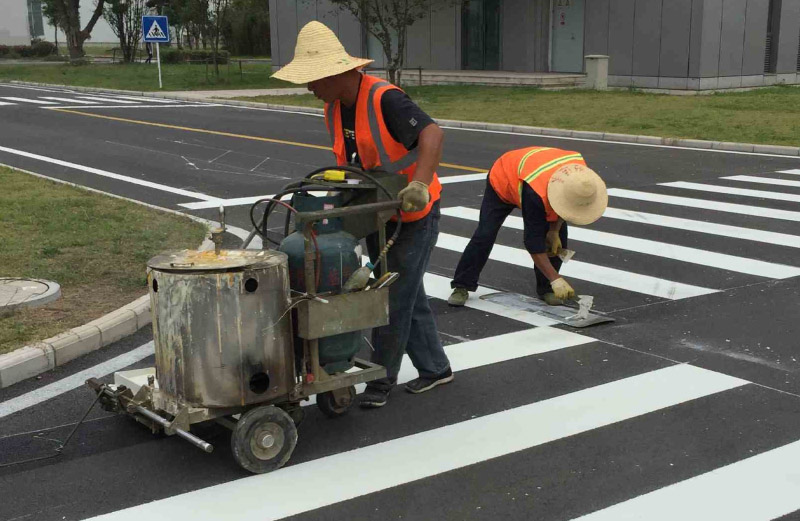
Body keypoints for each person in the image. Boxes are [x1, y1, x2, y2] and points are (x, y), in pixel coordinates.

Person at [272, 21, 453, 409]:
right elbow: (353, 165)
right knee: (406, 293)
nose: (309, 87)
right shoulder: (334, 108)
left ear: (337, 73)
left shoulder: (386, 99)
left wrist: (418, 185)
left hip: (414, 212)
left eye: (313, 79)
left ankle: (381, 379)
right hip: (376, 210)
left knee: (392, 297)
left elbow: (432, 135)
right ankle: (436, 369)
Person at [447, 147, 607, 307]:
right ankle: (462, 285)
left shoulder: (581, 177)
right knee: (485, 234)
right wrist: (556, 278)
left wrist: (554, 230)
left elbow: (565, 209)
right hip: (504, 179)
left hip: (536, 180)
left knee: (556, 241)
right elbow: (533, 243)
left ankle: (546, 289)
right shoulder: (536, 195)